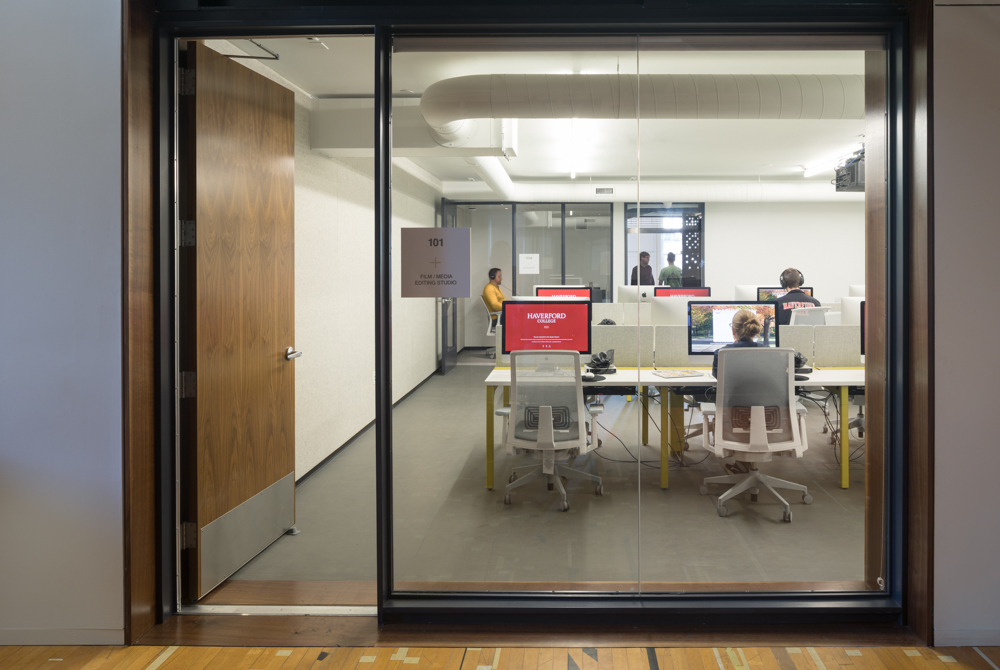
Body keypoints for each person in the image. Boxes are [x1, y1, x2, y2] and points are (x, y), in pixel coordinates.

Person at [712, 309, 764, 379]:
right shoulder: (769, 352)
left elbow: (718, 377)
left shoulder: (720, 353)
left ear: (733, 331)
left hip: (734, 390)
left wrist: (733, 347)